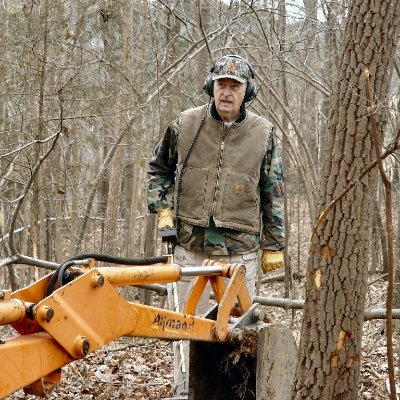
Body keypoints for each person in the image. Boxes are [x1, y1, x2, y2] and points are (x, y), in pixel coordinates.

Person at [147, 54, 285, 398]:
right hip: (188, 247)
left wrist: (274, 244)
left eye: (234, 86)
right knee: (184, 329)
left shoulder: (263, 133)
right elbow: (159, 168)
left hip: (240, 253)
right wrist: (163, 212)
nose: (227, 92)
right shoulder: (185, 124)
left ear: (246, 92)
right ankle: (186, 391)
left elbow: (274, 192)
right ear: (211, 86)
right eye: (221, 84)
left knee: (238, 334)